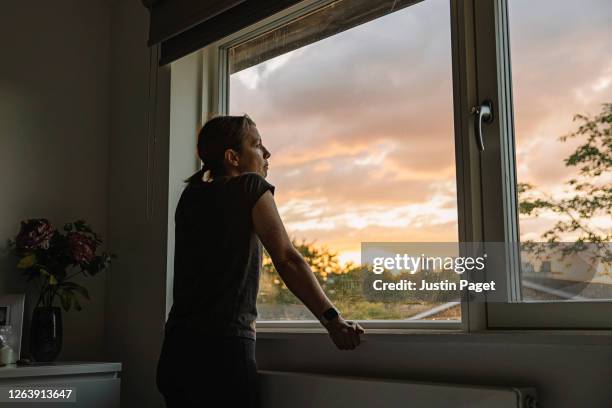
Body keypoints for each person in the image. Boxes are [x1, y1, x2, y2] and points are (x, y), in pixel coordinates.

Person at [156, 115, 364, 407]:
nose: (267, 154)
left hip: (176, 353)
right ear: (233, 157)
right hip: (222, 354)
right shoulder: (249, 187)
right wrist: (333, 321)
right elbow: (288, 259)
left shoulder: (190, 196)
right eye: (257, 145)